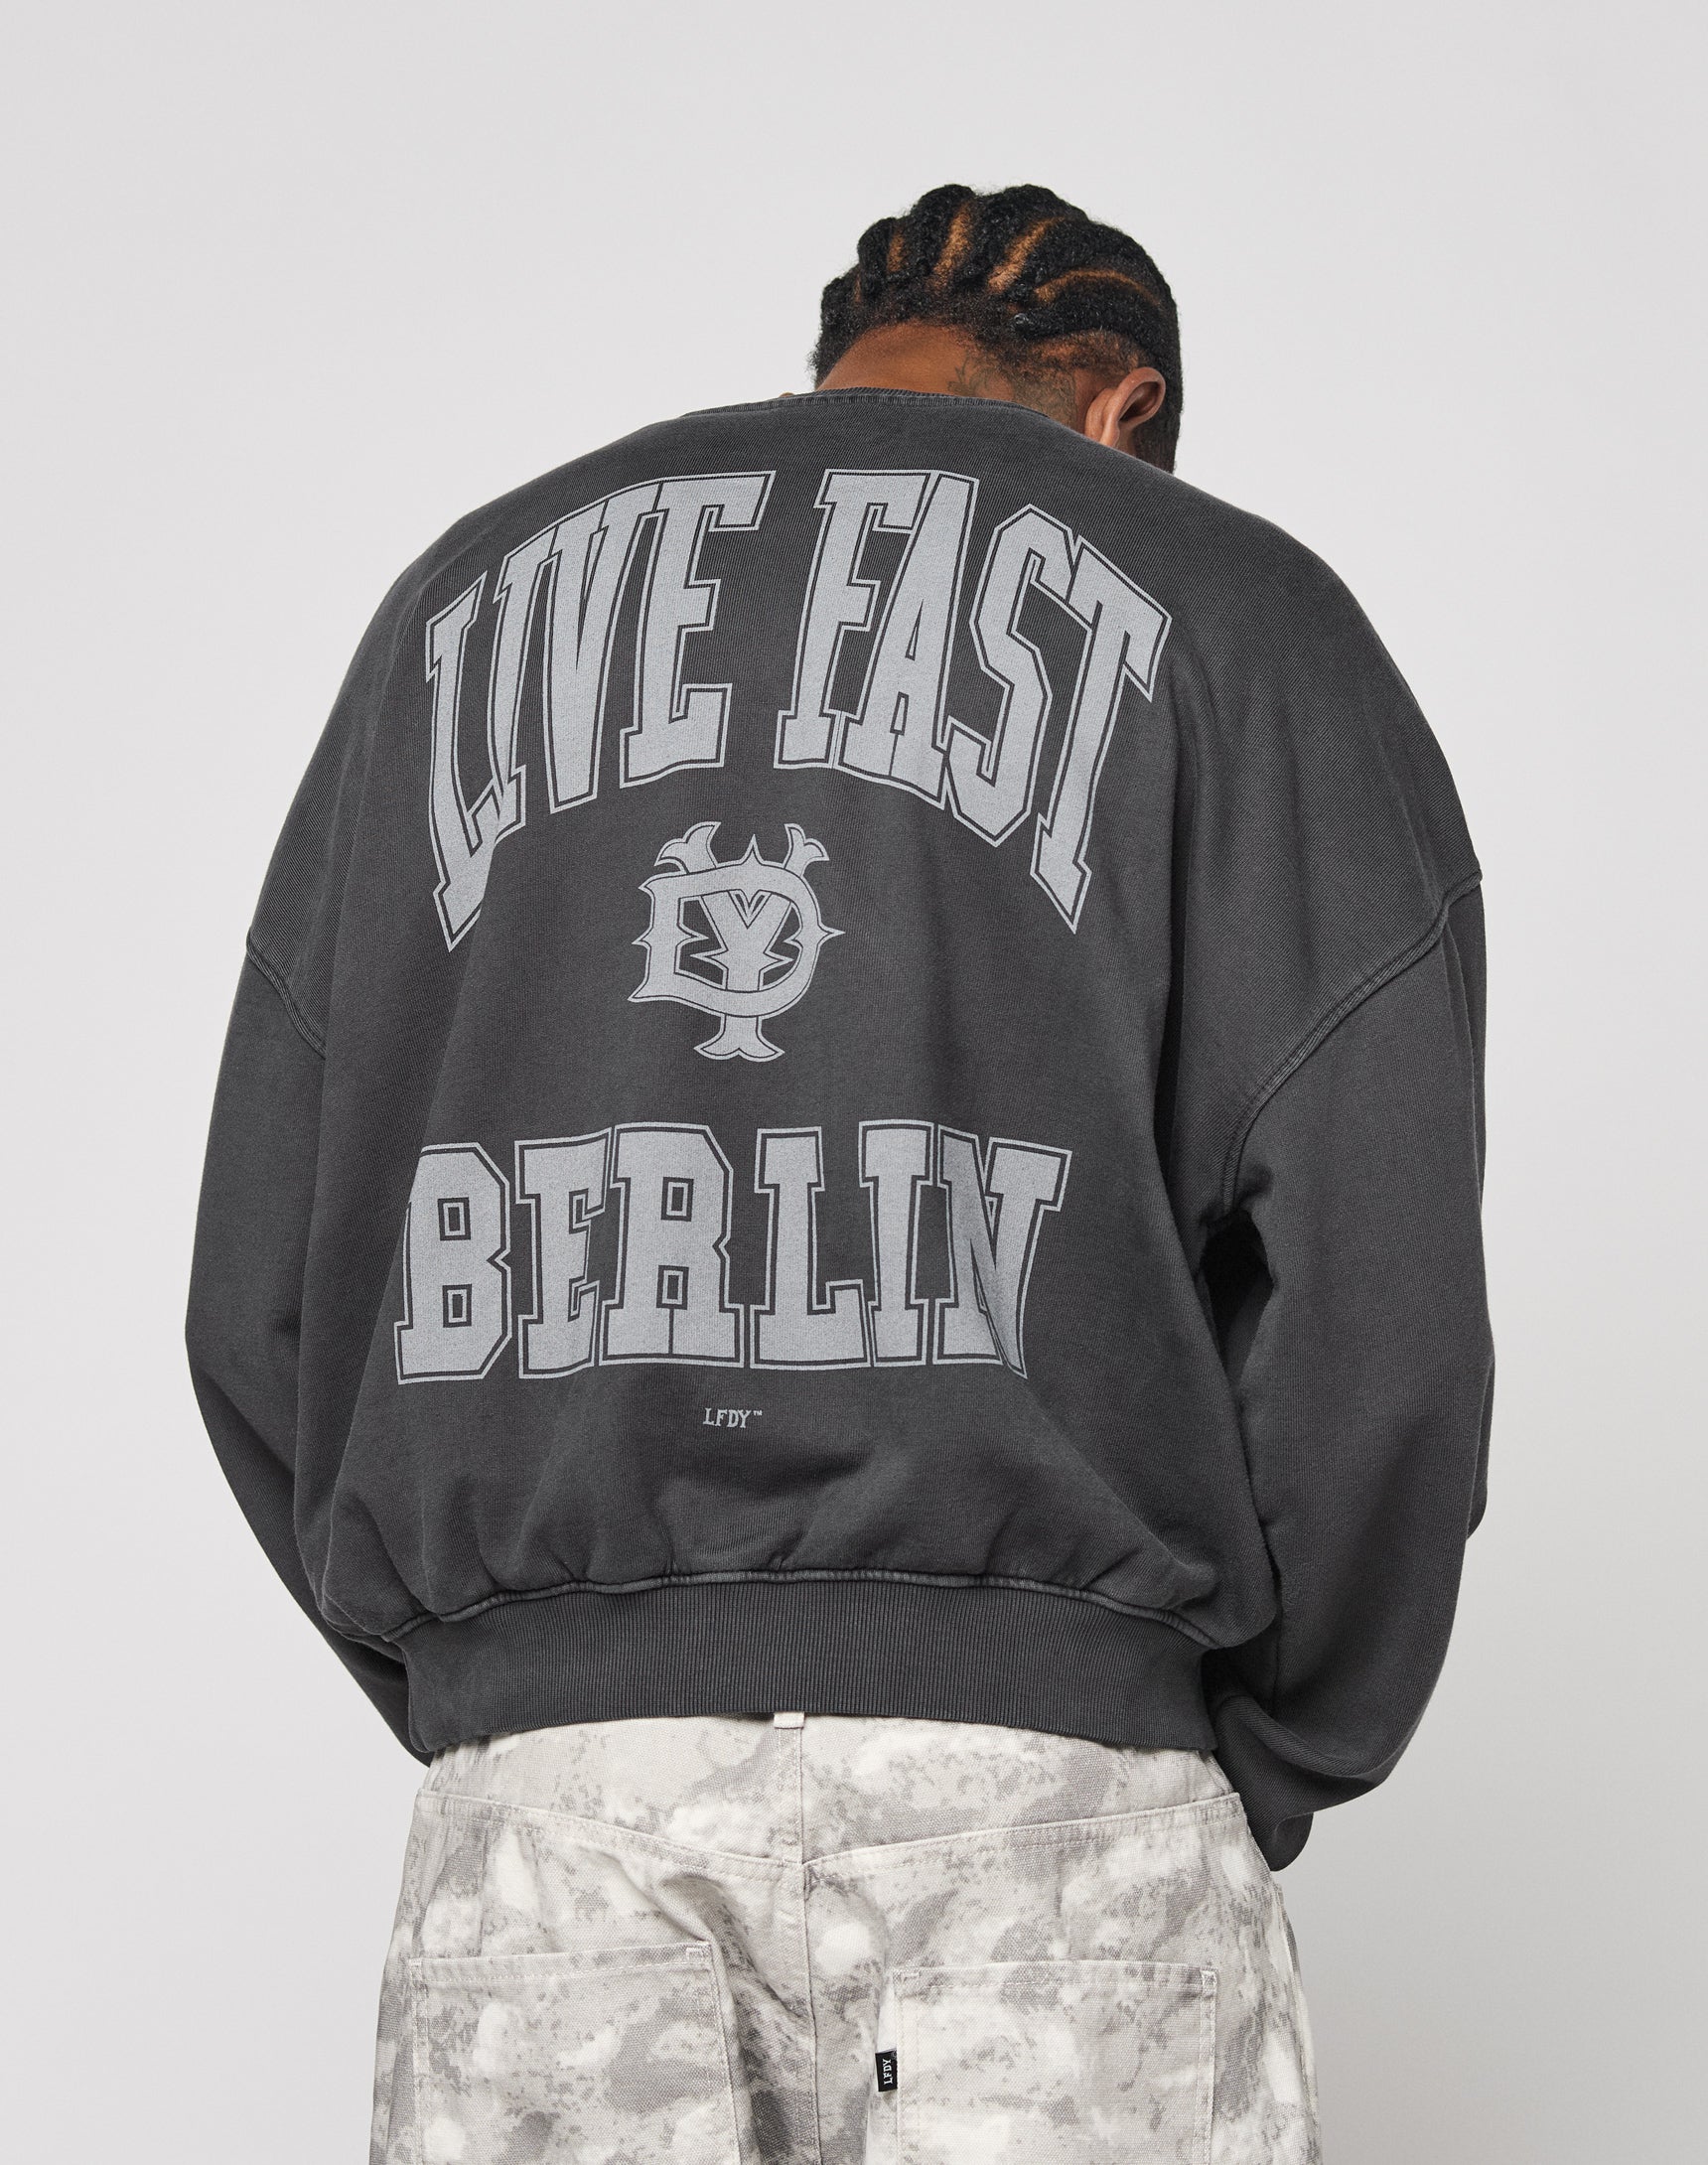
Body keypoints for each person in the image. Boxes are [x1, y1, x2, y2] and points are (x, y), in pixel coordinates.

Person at [187, 183, 1493, 2164]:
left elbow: (261, 1303)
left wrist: (533, 1679)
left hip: (561, 1830)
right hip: (1051, 1820)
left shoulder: (454, 614)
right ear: (1125, 405)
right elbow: (1379, 1317)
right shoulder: (1238, 611)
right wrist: (1242, 1742)